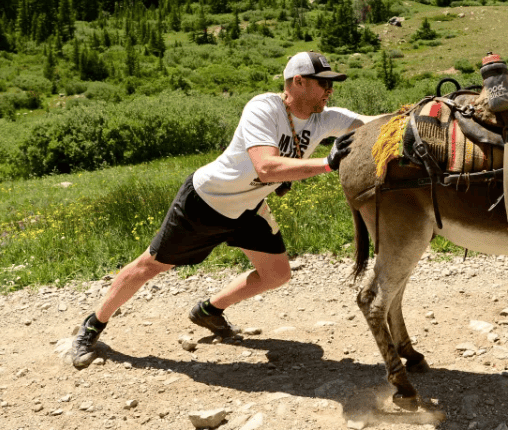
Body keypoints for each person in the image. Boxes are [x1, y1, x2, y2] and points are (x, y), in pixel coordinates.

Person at [71, 52, 374, 369]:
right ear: (298, 82)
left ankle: (209, 311)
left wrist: (423, 113)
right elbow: (267, 167)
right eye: (324, 83)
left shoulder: (324, 119)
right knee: (149, 266)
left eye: (332, 84)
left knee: (277, 274)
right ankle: (92, 327)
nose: (330, 90)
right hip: (206, 202)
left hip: (249, 209)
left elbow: (374, 124)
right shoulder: (264, 108)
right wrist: (327, 163)